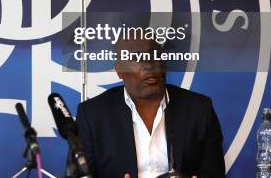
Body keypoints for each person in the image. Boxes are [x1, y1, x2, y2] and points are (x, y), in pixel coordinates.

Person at [76, 37, 225, 178]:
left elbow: (215, 174)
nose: (149, 64)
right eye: (137, 58)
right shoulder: (93, 115)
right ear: (119, 70)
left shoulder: (199, 109)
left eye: (154, 55)